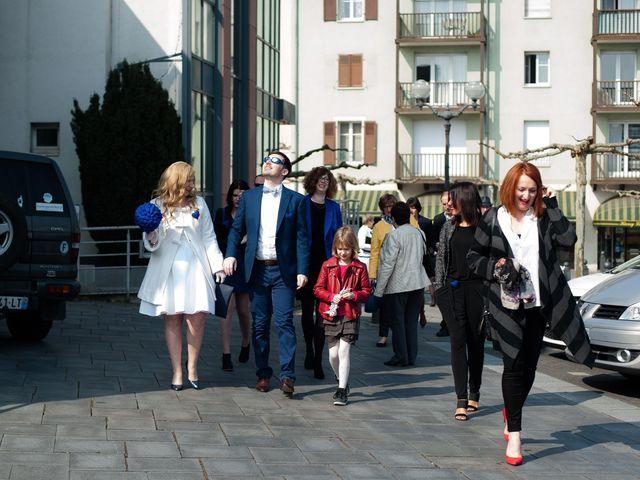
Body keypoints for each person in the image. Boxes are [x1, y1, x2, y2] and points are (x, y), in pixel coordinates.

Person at [467, 162, 594, 466]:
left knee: (529, 368)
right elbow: (473, 258)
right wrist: (495, 268)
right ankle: (515, 435)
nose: (525, 195)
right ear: (511, 187)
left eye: (532, 190)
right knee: (513, 363)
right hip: (506, 304)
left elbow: (569, 240)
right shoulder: (493, 219)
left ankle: (511, 411)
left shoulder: (543, 217)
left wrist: (551, 205)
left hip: (539, 304)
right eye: (521, 189)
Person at [223, 151, 309, 397]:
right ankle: (262, 373)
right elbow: (236, 229)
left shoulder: (296, 200)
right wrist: (230, 254)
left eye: (275, 161)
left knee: (284, 322)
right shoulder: (249, 197)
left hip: (283, 271)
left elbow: (302, 238)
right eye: (267, 159)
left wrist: (302, 270)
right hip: (257, 270)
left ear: (285, 171)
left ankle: (287, 376)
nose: (268, 162)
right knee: (260, 325)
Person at [138, 161, 225, 391]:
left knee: (197, 317)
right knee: (173, 318)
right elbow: (151, 243)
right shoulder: (156, 205)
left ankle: (193, 367)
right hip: (169, 271)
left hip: (196, 268)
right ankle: (177, 371)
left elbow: (209, 237)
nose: (192, 184)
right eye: (188, 180)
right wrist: (150, 233)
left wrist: (218, 266)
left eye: (193, 180)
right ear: (175, 180)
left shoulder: (200, 204)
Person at [432, 182, 486, 422]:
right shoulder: (447, 227)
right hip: (452, 290)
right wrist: (438, 288)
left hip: (478, 291)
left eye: (453, 199)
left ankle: (475, 390)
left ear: (465, 200)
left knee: (475, 342)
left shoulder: (485, 228)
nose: (449, 204)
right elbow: (441, 259)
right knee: (457, 341)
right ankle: (461, 399)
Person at [314, 226, 371, 406]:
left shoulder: (359, 267)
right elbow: (318, 289)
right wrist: (332, 296)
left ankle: (341, 390)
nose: (343, 252)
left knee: (344, 351)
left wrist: (354, 295)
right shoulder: (327, 265)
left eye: (346, 249)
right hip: (331, 313)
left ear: (353, 248)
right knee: (332, 355)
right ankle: (341, 379)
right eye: (340, 249)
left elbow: (367, 291)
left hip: (350, 314)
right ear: (335, 248)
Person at [299, 167, 343, 380]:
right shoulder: (302, 204)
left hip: (327, 267)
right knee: (307, 313)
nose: (323, 182)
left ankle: (318, 359)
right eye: (320, 178)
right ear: (312, 181)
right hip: (306, 266)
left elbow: (340, 237)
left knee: (323, 314)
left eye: (327, 179)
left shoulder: (334, 208)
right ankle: (308, 349)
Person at [373, 202, 429, 367]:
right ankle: (411, 356)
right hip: (417, 283)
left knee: (398, 322)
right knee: (411, 322)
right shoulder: (419, 233)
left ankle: (400, 356)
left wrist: (379, 291)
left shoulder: (394, 236)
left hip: (398, 285)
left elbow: (387, 265)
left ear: (393, 218)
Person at [214, 180, 252, 372]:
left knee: (244, 310)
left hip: (244, 265)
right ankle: (226, 354)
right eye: (235, 195)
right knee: (225, 309)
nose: (238, 198)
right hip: (224, 265)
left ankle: (246, 341)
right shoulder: (221, 214)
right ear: (230, 196)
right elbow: (216, 239)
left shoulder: (251, 215)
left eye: (242, 195)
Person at [368, 193, 397, 348]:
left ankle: (399, 333)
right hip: (384, 271)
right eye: (385, 207)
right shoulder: (379, 226)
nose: (388, 210)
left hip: (403, 270)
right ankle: (383, 335)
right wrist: (372, 274)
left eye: (391, 206)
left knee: (399, 305)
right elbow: (374, 251)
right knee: (385, 306)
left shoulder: (408, 220)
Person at [429, 191, 453, 336]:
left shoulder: (460, 218)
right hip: (441, 261)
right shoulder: (438, 219)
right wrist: (436, 246)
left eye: (449, 203)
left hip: (455, 262)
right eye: (444, 204)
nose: (447, 206)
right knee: (443, 293)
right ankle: (445, 324)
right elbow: (432, 239)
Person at [406, 197, 432, 328]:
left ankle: (421, 312)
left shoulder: (426, 223)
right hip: (407, 261)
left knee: (419, 290)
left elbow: (431, 242)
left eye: (414, 207)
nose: (412, 210)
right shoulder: (404, 223)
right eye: (410, 207)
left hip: (421, 260)